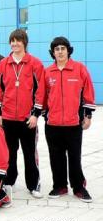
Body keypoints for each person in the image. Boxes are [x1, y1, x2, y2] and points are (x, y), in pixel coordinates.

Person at [0, 29, 45, 200]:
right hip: (7, 118)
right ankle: (9, 180)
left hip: (27, 118)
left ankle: (33, 184)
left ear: (25, 43)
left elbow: (40, 91)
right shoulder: (3, 64)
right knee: (10, 152)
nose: (15, 44)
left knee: (30, 153)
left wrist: (35, 114)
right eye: (12, 41)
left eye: (18, 41)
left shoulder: (35, 64)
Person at [44, 37, 96, 202]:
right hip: (52, 124)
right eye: (56, 49)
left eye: (62, 48)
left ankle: (79, 187)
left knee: (74, 157)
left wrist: (87, 116)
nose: (59, 51)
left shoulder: (79, 68)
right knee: (55, 156)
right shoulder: (48, 72)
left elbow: (88, 92)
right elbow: (42, 96)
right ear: (53, 52)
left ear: (68, 51)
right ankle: (59, 186)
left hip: (74, 123)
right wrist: (45, 114)